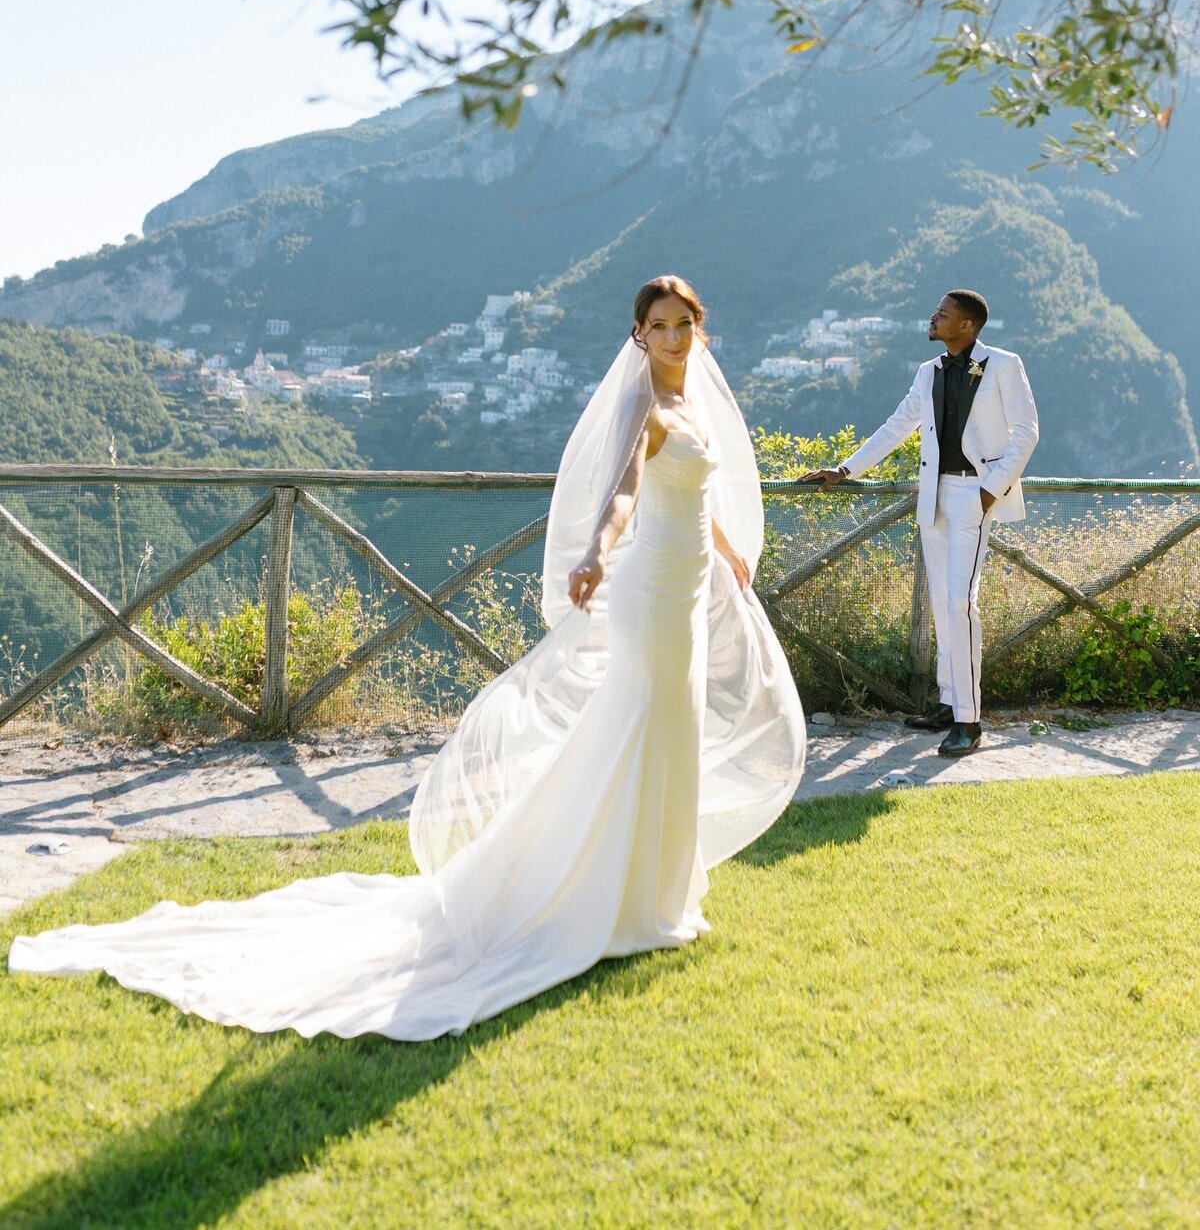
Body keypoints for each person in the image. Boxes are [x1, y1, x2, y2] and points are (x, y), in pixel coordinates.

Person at [10, 277, 805, 1040]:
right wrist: (596, 552)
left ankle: (656, 896)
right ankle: (597, 899)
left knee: (670, 729)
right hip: (648, 594)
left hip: (691, 584)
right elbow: (626, 489)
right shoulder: (646, 405)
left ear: (701, 329)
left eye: (682, 324)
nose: (671, 338)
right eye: (657, 326)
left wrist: (732, 552)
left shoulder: (693, 399)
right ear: (639, 336)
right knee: (637, 725)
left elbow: (693, 489)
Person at [803, 290, 1038, 759]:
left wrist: (990, 489)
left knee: (960, 602)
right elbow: (896, 426)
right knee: (941, 602)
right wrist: (845, 469)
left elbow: (1027, 431)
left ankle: (969, 723)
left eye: (943, 314)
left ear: (967, 325)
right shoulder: (928, 372)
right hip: (933, 497)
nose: (933, 318)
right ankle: (950, 704)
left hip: (976, 493)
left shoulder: (1004, 365)